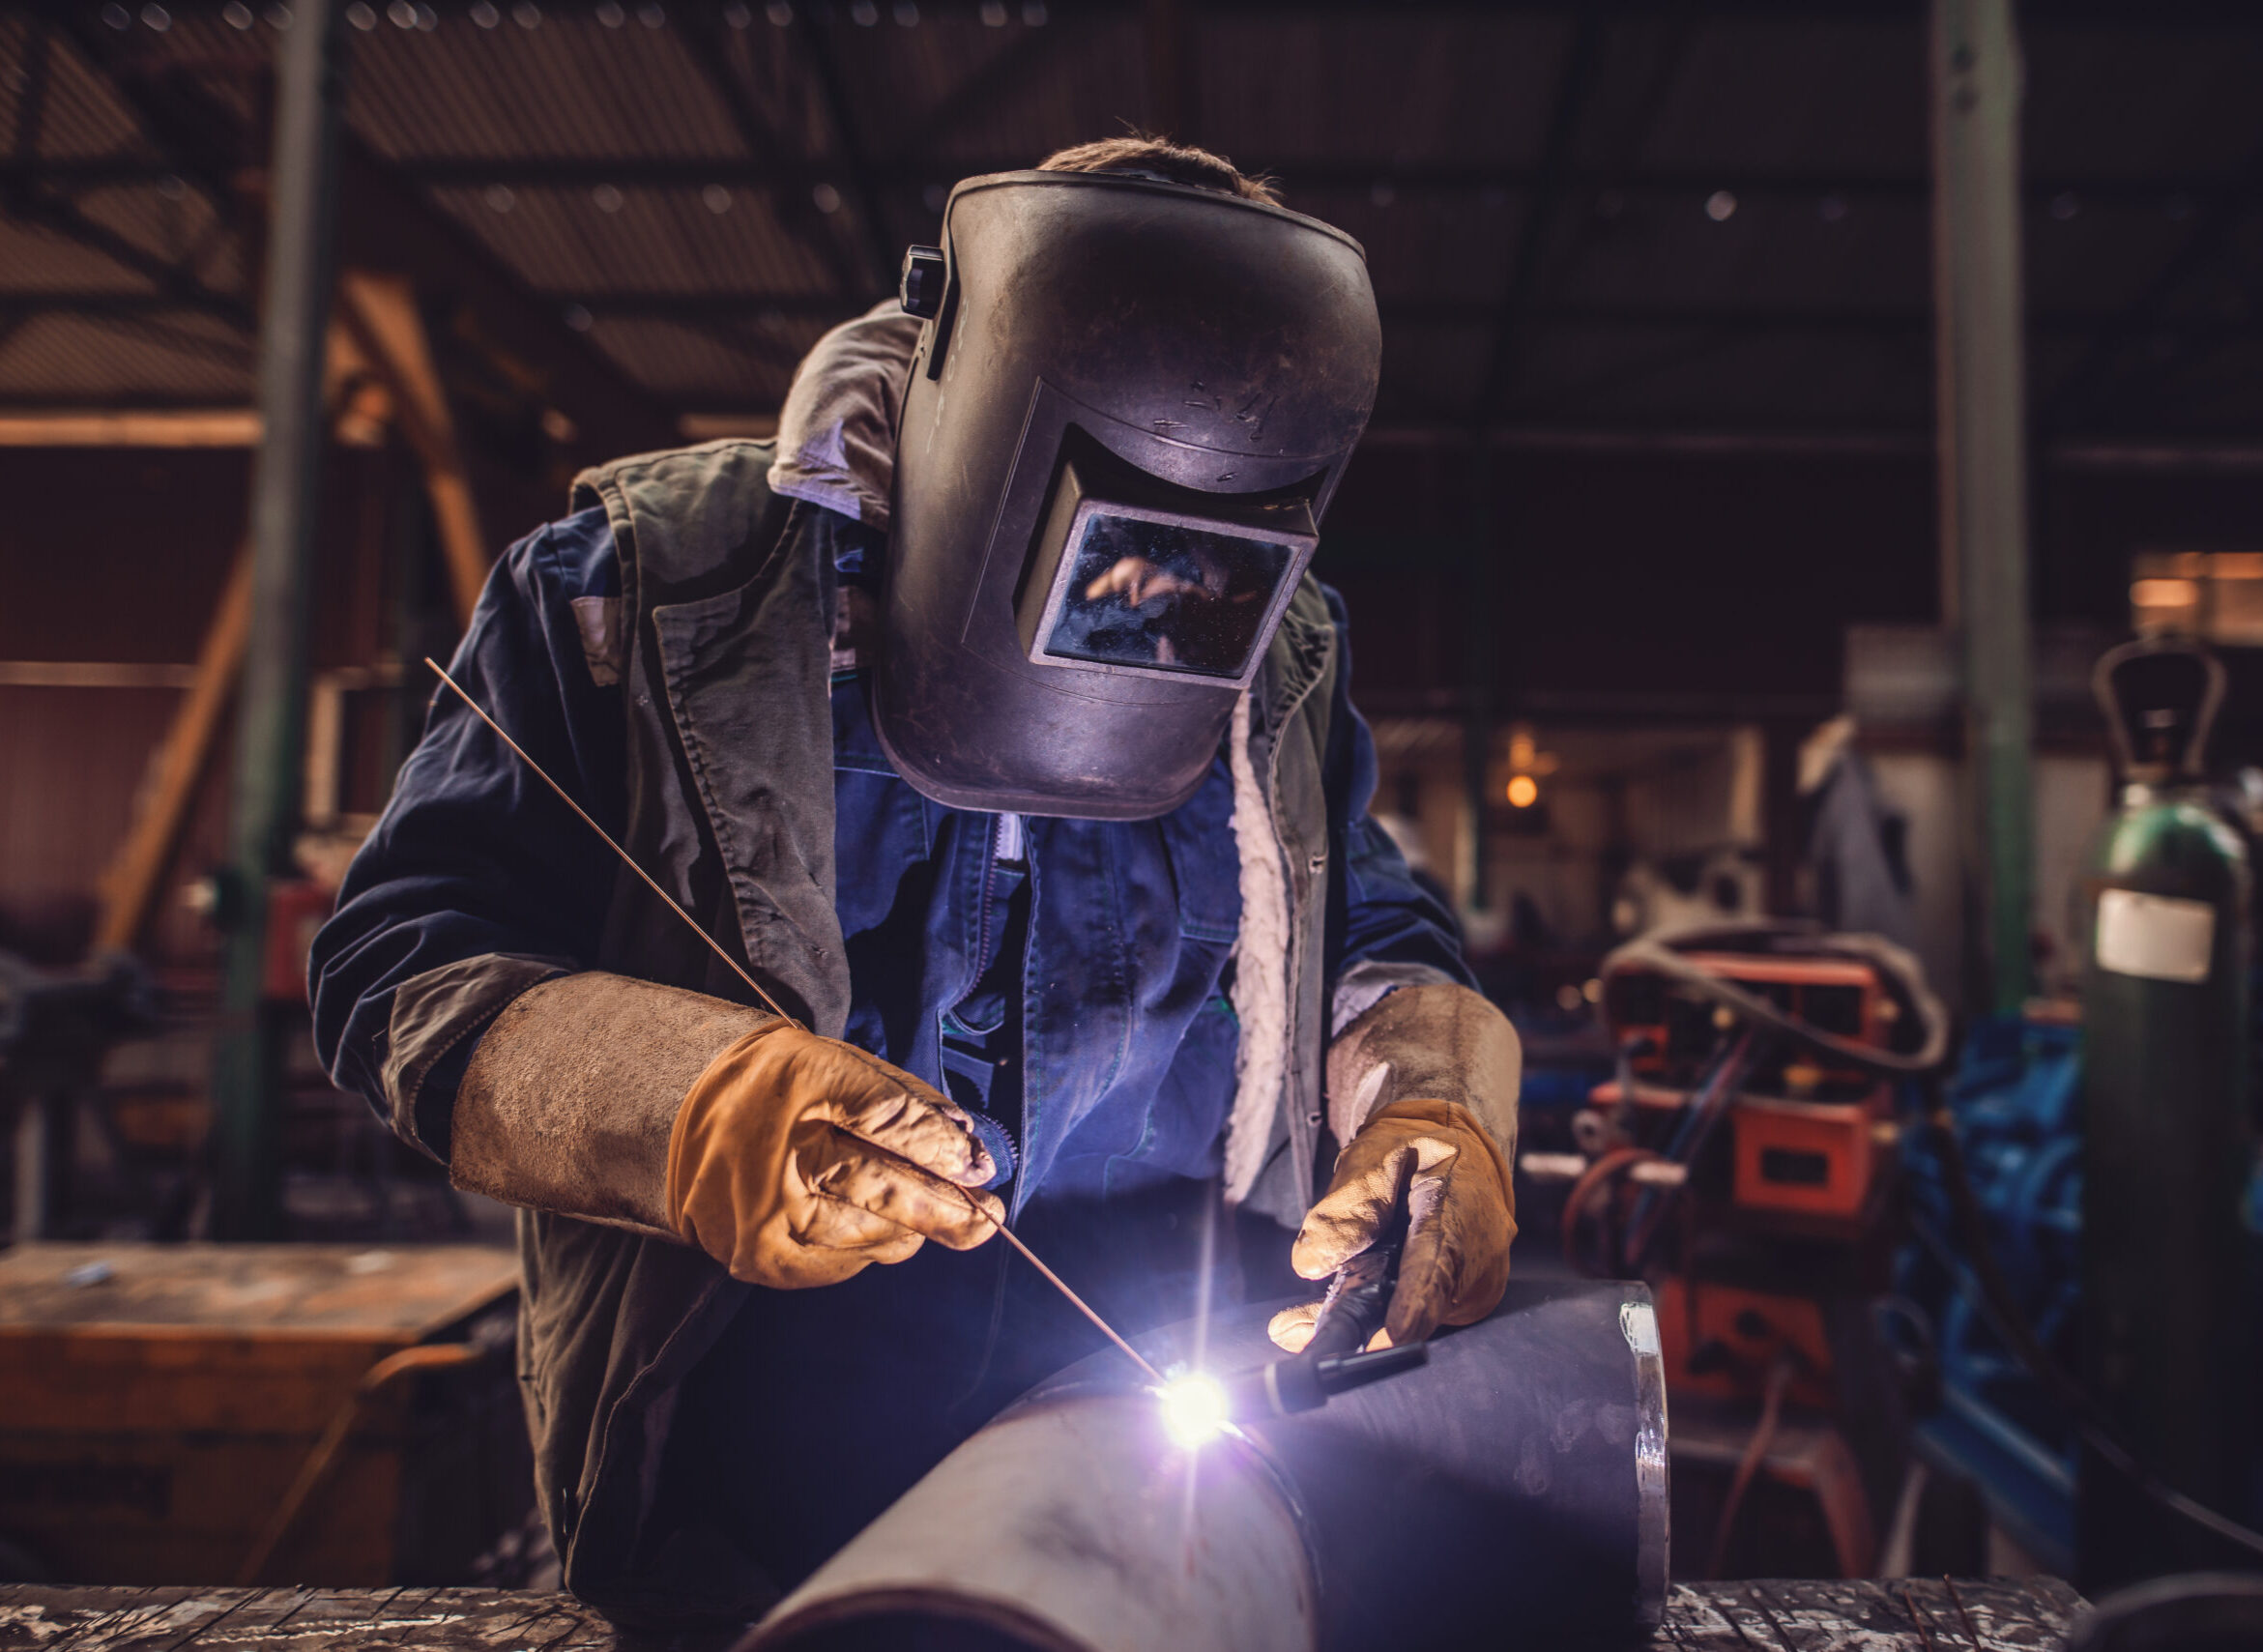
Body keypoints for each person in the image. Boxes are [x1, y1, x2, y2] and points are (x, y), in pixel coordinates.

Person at [311, 136, 1520, 1621]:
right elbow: (400, 970)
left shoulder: (1285, 649)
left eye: (1196, 566)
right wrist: (692, 1105)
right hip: (754, 1519)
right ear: (971, 408)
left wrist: (1432, 1109)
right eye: (1107, 553)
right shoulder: (640, 586)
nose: (1150, 605)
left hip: (1176, 1499)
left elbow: (1372, 940)